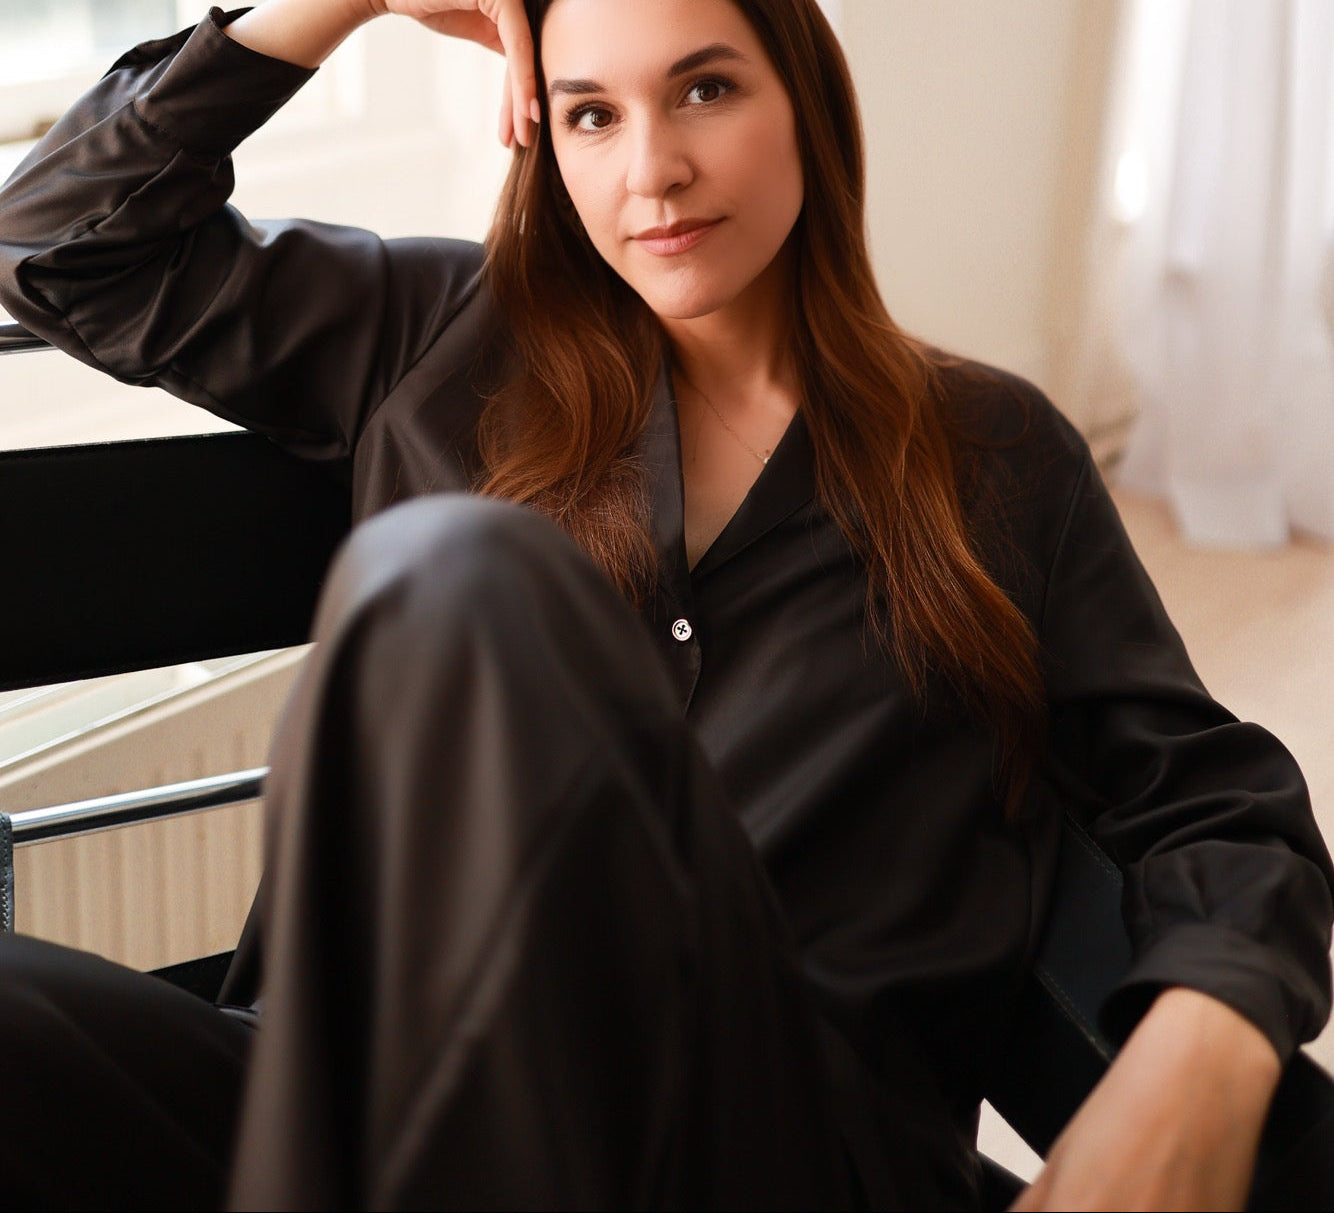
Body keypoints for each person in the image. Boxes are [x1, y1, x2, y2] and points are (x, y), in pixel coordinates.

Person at [0, 1, 1330, 1209]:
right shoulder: (440, 338)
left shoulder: (992, 456)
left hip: (758, 1138)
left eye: (703, 90)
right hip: (370, 1101)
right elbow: (54, 242)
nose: (651, 169)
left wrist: (1199, 1045)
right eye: (590, 113)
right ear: (547, 143)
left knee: (461, 579)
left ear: (806, 101)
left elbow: (1213, 804)